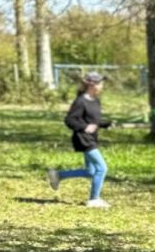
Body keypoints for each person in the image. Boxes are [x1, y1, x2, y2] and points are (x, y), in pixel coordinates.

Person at [46, 72, 112, 208]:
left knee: (91, 171)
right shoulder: (81, 101)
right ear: (91, 85)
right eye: (99, 83)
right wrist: (84, 127)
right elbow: (69, 120)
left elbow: (93, 121)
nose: (102, 85)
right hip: (83, 139)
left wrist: (105, 124)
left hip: (91, 138)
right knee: (102, 168)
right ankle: (94, 199)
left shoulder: (95, 100)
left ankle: (58, 175)